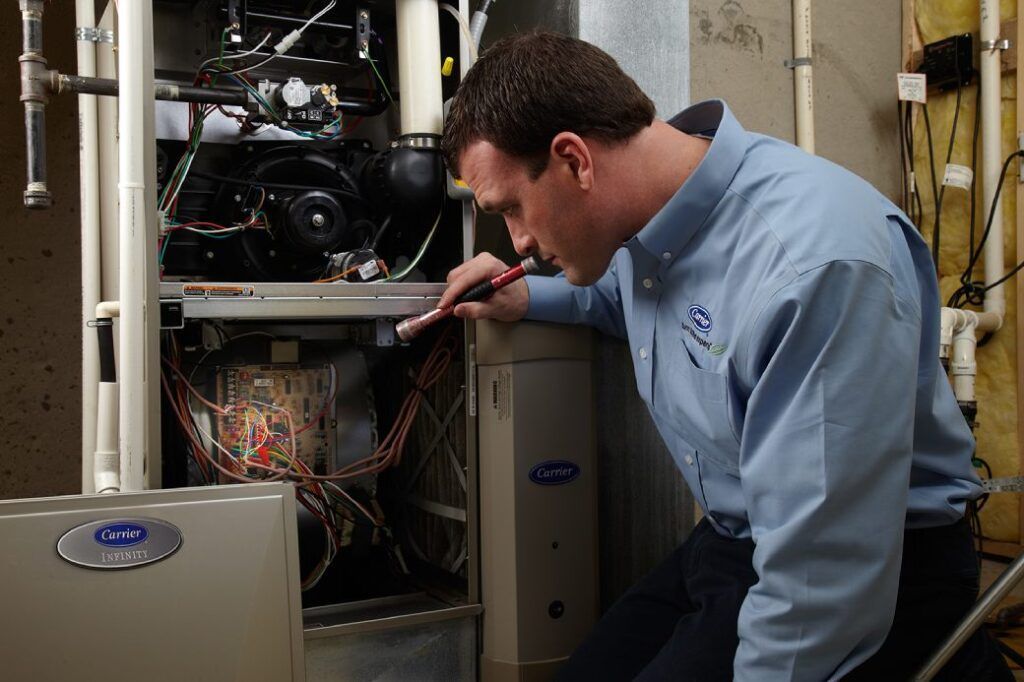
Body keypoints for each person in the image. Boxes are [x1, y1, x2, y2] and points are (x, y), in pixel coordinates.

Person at [438, 31, 1012, 681]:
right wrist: (527, 300)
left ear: (575, 160)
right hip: (740, 539)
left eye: (512, 208)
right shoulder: (646, 219)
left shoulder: (812, 268)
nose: (519, 244)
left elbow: (821, 585)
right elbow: (623, 301)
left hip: (875, 566)